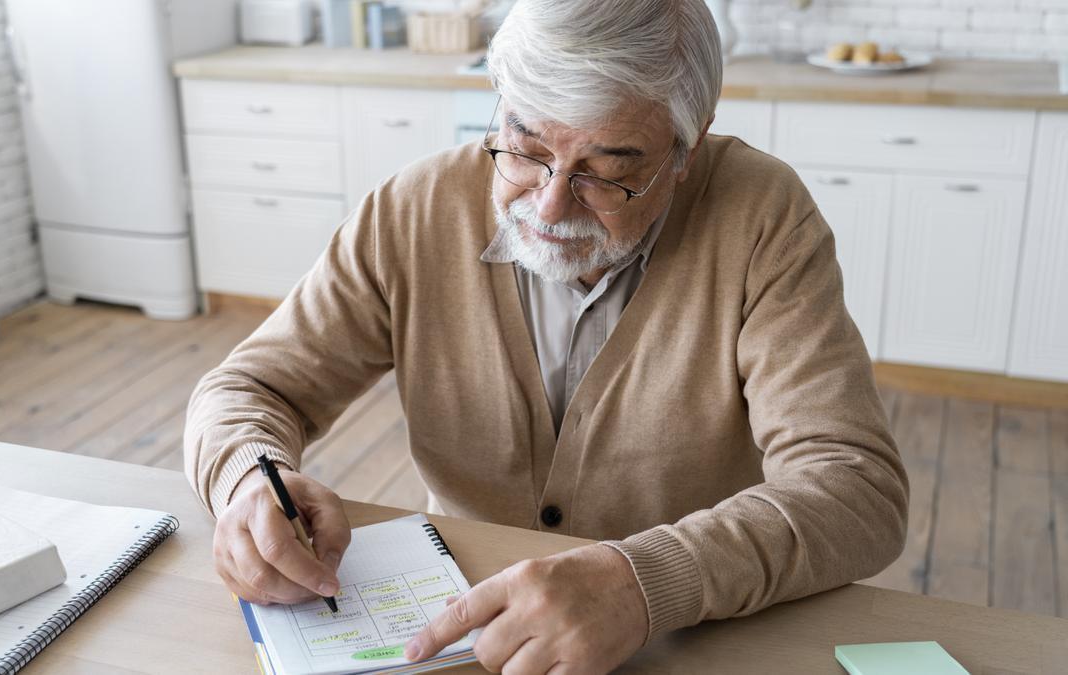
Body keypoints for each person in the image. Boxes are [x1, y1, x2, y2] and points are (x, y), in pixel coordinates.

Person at [184, 0, 909, 672]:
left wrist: (644, 581)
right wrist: (248, 477)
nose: (551, 201)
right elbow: (250, 387)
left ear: (686, 149)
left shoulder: (762, 217)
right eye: (525, 146)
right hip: (463, 630)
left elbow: (855, 487)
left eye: (608, 171)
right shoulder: (413, 209)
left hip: (684, 634)